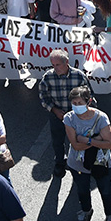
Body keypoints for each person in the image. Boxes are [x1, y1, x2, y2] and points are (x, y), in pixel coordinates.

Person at [64, 85, 111, 221]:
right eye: (74, 104)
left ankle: (110, 215)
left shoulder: (101, 118)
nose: (76, 107)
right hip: (78, 164)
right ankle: (86, 210)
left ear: (88, 102)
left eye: (79, 103)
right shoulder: (68, 118)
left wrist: (87, 141)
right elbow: (75, 145)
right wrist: (97, 140)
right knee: (82, 190)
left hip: (101, 163)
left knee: (106, 191)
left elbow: (110, 144)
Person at [39, 49, 90, 177]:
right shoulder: (48, 77)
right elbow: (43, 97)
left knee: (77, 140)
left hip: (76, 116)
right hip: (57, 115)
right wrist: (54, 110)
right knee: (57, 141)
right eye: (53, 65)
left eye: (58, 65)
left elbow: (88, 96)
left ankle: (79, 164)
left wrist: (78, 112)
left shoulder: (79, 76)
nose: (55, 68)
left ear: (66, 62)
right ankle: (60, 163)